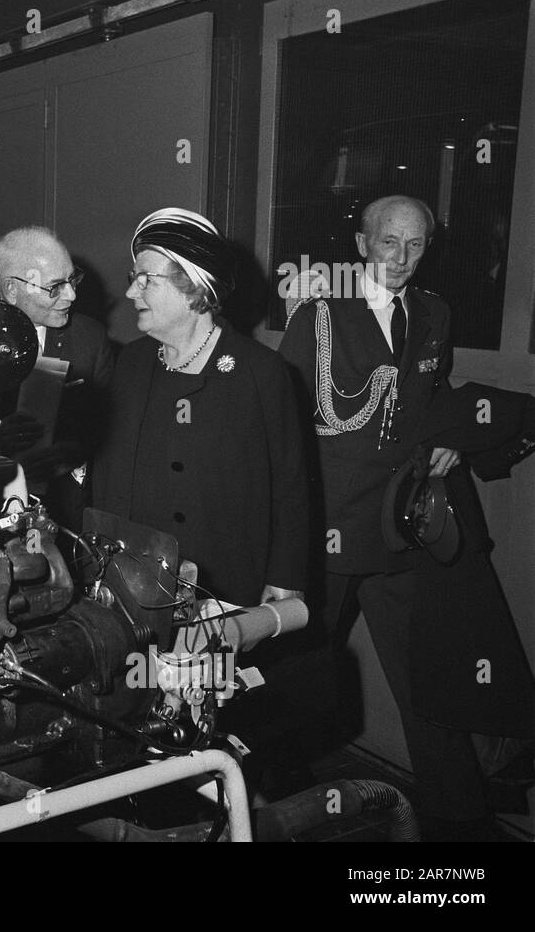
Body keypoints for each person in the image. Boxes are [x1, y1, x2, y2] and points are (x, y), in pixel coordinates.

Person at [279, 194, 534, 836]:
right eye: (389, 242)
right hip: (331, 528)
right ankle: (275, 798)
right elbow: (286, 418)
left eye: (416, 245)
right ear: (362, 244)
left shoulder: (435, 312)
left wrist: (449, 437)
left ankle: (458, 812)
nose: (402, 258)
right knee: (298, 670)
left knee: (430, 671)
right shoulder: (319, 312)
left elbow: (428, 394)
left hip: (401, 526)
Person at [92, 208, 308, 607]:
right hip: (135, 580)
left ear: (193, 287)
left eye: (146, 281)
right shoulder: (132, 363)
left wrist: (285, 576)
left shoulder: (260, 373)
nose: (130, 293)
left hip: (225, 583)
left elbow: (291, 485)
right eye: (132, 279)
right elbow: (106, 474)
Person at [0, 226, 114, 530]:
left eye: (73, 280)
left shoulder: (90, 338)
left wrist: (79, 447)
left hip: (69, 512)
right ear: (11, 289)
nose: (71, 295)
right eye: (56, 286)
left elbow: (114, 427)